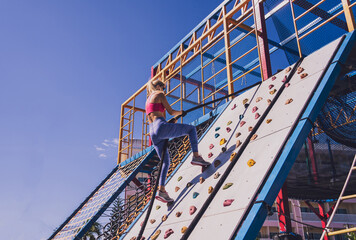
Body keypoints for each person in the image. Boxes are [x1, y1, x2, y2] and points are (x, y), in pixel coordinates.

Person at [146, 78, 210, 203]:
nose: (164, 89)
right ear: (158, 86)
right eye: (163, 87)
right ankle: (196, 156)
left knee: (165, 162)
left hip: (153, 132)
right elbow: (170, 111)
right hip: (160, 127)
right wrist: (181, 112)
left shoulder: (148, 101)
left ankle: (162, 190)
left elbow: (157, 117)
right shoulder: (159, 94)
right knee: (191, 129)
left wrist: (172, 121)